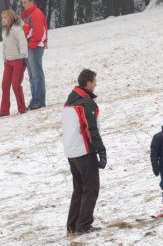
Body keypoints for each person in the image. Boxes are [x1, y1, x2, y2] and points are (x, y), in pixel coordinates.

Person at [63, 69, 106, 235]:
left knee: (79, 188)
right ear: (88, 83)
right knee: (91, 187)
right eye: (94, 82)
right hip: (83, 151)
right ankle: (84, 225)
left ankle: (72, 225)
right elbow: (91, 129)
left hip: (71, 151)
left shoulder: (70, 100)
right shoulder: (86, 103)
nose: (96, 85)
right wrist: (101, 151)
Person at [0, 9, 29, 117]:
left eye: (5, 18)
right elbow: (4, 46)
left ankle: (22, 108)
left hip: (18, 61)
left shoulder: (16, 29)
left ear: (10, 18)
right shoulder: (4, 31)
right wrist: (4, 59)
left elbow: (23, 42)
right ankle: (4, 111)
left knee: (15, 85)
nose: (3, 20)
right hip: (8, 62)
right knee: (5, 85)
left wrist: (23, 55)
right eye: (2, 18)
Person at [21, 0, 48, 110]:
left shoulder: (36, 14)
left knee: (37, 75)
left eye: (25, 2)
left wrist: (31, 45)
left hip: (35, 47)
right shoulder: (28, 14)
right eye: (22, 2)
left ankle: (39, 101)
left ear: (32, 2)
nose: (23, 5)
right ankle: (34, 99)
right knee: (32, 76)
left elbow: (39, 32)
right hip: (30, 47)